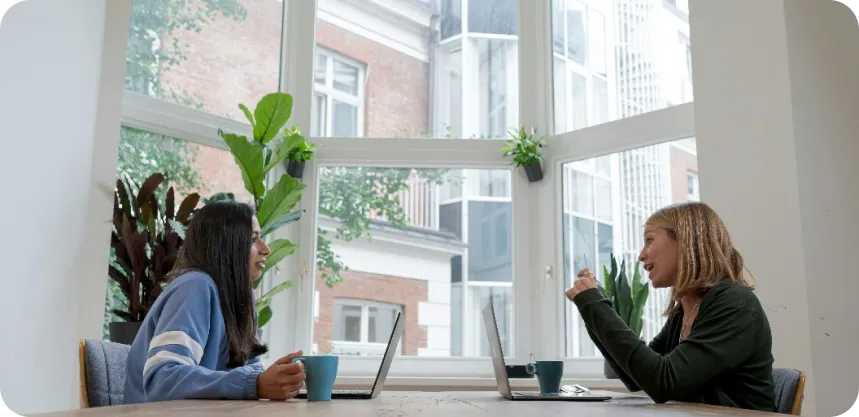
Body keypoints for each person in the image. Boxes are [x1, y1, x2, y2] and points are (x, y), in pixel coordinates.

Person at [564, 201, 775, 411]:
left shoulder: (734, 304)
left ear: (686, 241)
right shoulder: (686, 310)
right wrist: (591, 308)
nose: (641, 255)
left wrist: (596, 306)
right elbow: (635, 378)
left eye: (649, 240)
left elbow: (663, 382)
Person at [124, 200, 306, 404]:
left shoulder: (243, 297)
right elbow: (162, 379)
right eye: (254, 239)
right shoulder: (195, 286)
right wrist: (254, 384)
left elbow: (250, 371)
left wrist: (271, 380)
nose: (266, 249)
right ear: (227, 244)